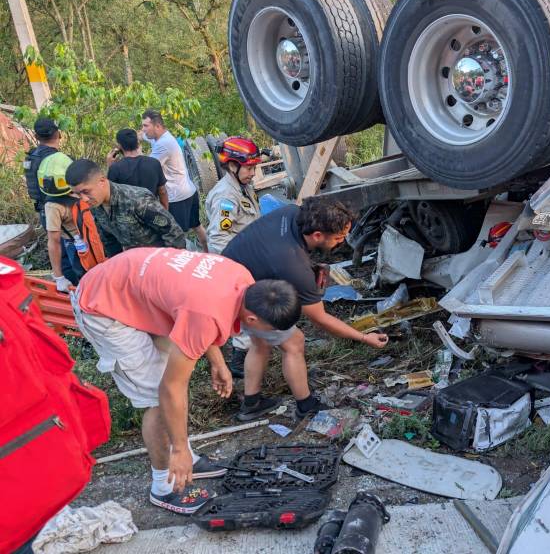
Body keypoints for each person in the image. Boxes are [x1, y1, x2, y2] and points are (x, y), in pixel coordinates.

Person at [70, 247, 301, 513]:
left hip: (130, 285)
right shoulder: (207, 313)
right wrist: (178, 449)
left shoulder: (243, 279)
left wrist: (218, 361)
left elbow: (199, 312)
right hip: (103, 307)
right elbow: (172, 386)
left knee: (174, 376)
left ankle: (186, 457)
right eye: (269, 330)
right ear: (251, 318)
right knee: (159, 399)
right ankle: (164, 486)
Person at [222, 199, 389, 421]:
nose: (342, 242)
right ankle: (305, 406)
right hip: (237, 296)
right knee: (294, 341)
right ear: (318, 235)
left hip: (227, 274)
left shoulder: (293, 212)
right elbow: (320, 319)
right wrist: (364, 337)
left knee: (260, 341)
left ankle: (252, 404)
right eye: (338, 238)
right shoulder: (293, 266)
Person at [65, 159, 185, 254]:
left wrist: (169, 265)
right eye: (78, 194)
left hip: (160, 259)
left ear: (102, 181)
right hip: (134, 262)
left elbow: (173, 233)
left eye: (86, 191)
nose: (84, 199)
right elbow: (109, 240)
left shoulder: (137, 200)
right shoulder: (95, 205)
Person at [140, 110, 208, 251]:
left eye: (146, 126)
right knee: (197, 226)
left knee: (175, 237)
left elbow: (148, 167)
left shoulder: (163, 144)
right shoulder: (161, 137)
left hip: (177, 198)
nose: (143, 129)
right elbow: (143, 135)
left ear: (157, 126)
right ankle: (208, 253)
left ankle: (184, 262)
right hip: (189, 191)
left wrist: (137, 153)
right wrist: (135, 136)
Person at [23, 117, 77, 284]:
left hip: (43, 210)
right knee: (72, 249)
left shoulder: (31, 157)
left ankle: (64, 283)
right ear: (58, 134)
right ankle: (76, 285)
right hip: (63, 211)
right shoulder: (59, 160)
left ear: (36, 136)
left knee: (57, 248)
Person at [205, 137, 260, 255]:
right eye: (249, 168)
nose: (253, 173)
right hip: (243, 256)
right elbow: (218, 240)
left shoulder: (243, 185)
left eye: (254, 167)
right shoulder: (226, 196)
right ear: (232, 166)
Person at [37, 151, 84, 291]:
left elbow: (54, 241)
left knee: (83, 277)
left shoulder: (53, 206)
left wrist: (59, 277)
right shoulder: (83, 191)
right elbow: (54, 241)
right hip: (85, 241)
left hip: (78, 242)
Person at [107, 128, 169, 208]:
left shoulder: (115, 168)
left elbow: (110, 196)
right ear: (137, 143)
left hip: (128, 213)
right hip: (151, 211)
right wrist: (164, 210)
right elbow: (162, 191)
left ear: (119, 146)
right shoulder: (154, 163)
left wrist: (110, 166)